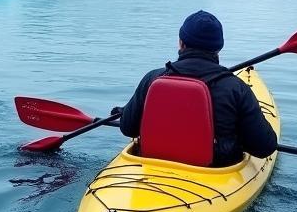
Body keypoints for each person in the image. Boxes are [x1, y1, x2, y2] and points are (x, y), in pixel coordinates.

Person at [118, 10, 277, 167]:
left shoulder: (152, 79)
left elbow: (127, 128)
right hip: (214, 173)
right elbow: (265, 147)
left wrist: (126, 111)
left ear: (181, 42)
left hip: (152, 165)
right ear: (218, 48)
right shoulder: (236, 89)